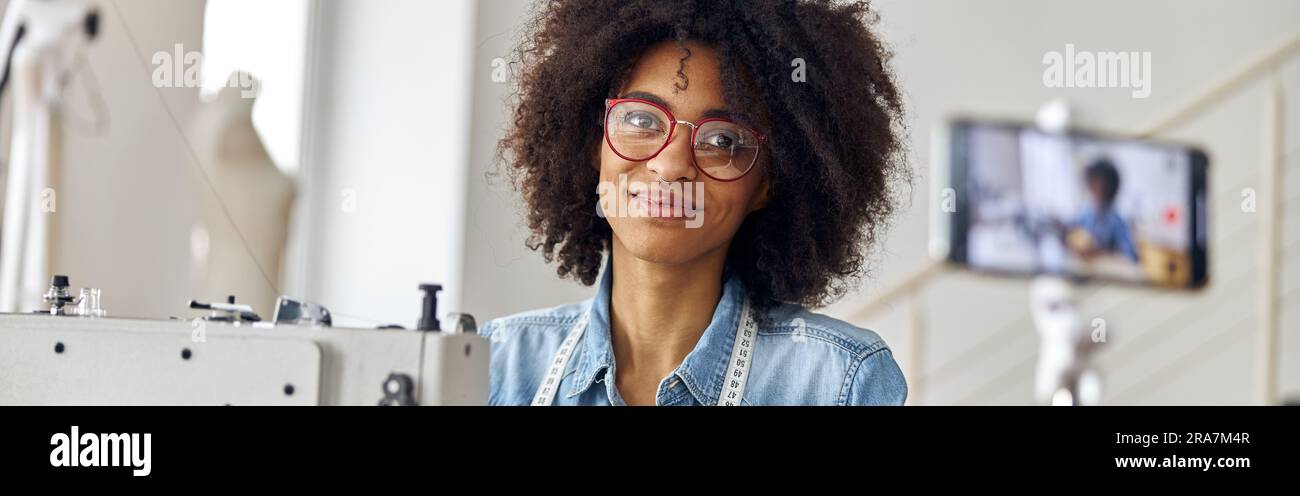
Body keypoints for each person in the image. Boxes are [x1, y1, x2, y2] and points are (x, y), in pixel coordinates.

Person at [482, 0, 909, 406]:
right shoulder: (493, 366)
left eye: (722, 140)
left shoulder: (840, 381)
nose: (669, 167)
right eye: (641, 120)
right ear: (595, 144)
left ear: (767, 184)